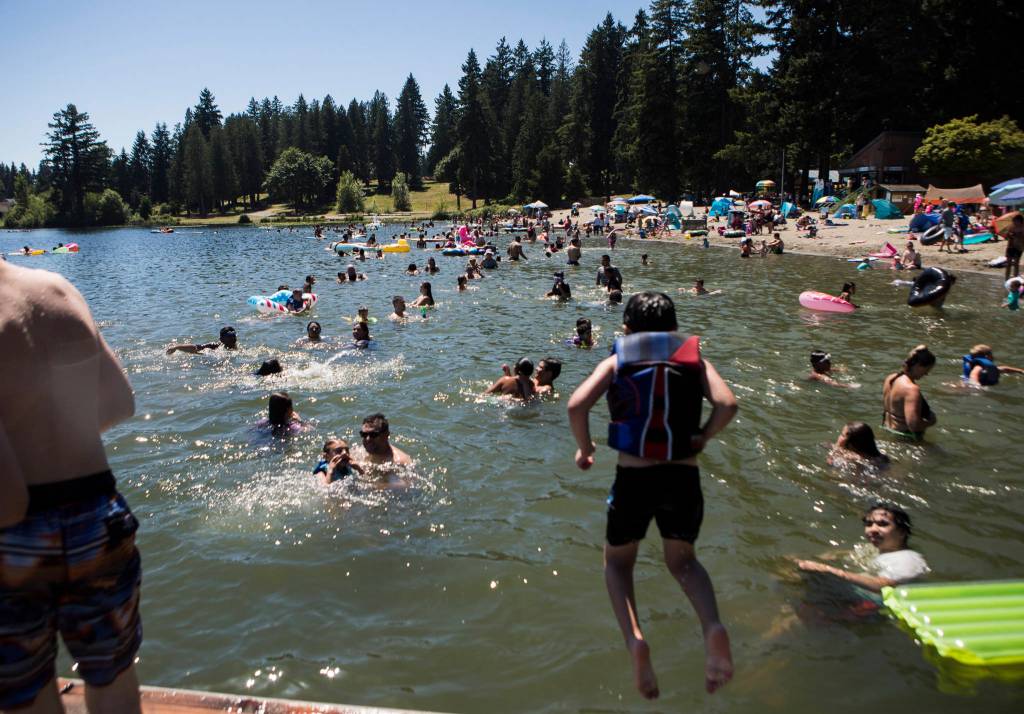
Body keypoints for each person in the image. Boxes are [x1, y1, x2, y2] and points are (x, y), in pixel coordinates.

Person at [567, 291, 736, 699]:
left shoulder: (617, 360)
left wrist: (585, 449)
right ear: (674, 328)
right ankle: (712, 627)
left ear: (626, 328)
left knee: (618, 564)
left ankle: (636, 641)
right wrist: (702, 437)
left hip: (634, 478)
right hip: (683, 477)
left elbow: (576, 405)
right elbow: (727, 404)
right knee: (683, 563)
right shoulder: (694, 360)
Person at [0, 259, 143, 713]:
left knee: (29, 696)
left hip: (16, 538)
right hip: (99, 513)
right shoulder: (57, 288)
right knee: (114, 676)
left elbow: (7, 500)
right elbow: (119, 402)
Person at [797, 502, 928, 593]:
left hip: (873, 607)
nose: (873, 529)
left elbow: (883, 585)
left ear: (902, 532)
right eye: (869, 524)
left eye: (883, 524)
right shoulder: (874, 549)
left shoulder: (908, 559)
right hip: (855, 593)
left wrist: (832, 571)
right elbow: (848, 555)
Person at [882, 345, 937, 439]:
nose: (926, 374)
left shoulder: (891, 378)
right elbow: (914, 426)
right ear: (918, 366)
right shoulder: (911, 389)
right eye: (927, 370)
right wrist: (931, 421)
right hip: (906, 440)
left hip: (887, 431)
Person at [166, 326, 237, 354]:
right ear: (221, 339)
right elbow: (195, 347)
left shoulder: (237, 346)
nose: (232, 338)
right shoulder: (214, 346)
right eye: (229, 336)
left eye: (234, 336)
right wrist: (177, 347)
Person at [1004, 214, 1024, 281]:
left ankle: (1015, 279)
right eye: (1014, 221)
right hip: (1010, 246)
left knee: (1016, 263)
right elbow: (1006, 237)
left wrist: (1018, 236)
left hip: (1019, 247)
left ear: (1020, 221)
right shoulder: (1011, 227)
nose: (1015, 222)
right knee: (1008, 263)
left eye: (1016, 221)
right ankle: (1006, 279)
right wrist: (1009, 235)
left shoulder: (1023, 228)